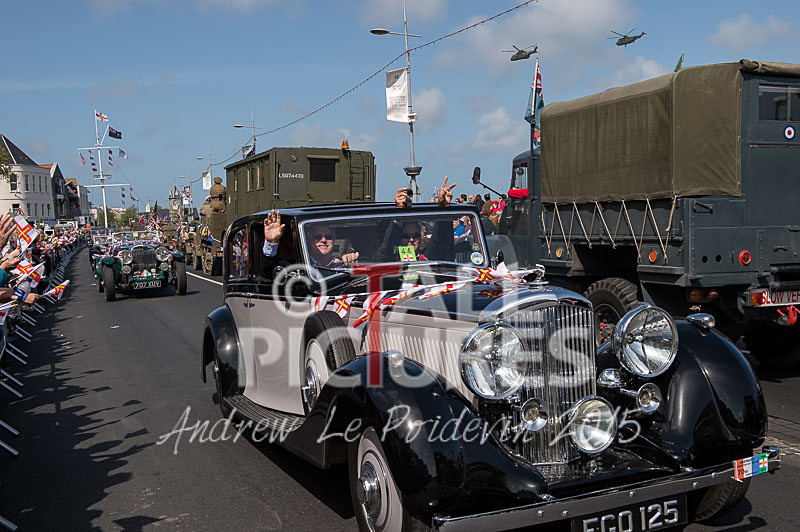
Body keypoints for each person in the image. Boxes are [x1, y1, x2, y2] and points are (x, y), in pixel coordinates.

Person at [377, 176, 456, 262]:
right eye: (406, 236)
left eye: (415, 235)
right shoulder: (390, 258)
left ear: (421, 238)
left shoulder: (427, 258)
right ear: (399, 238)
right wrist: (398, 211)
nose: (411, 240)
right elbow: (386, 248)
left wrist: (443, 208)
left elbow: (440, 241)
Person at [262, 212, 358, 268]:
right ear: (308, 240)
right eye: (317, 237)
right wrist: (271, 242)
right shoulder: (296, 267)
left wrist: (352, 265)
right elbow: (268, 271)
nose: (323, 240)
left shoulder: (343, 264)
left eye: (328, 236)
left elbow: (362, 280)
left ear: (334, 239)